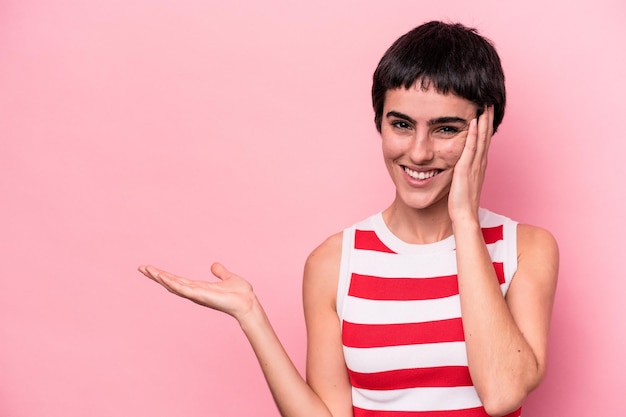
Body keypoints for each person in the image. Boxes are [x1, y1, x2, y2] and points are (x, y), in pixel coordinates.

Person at [138, 21, 558, 417]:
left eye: (446, 129)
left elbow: (503, 393)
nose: (418, 152)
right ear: (380, 124)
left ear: (486, 130)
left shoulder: (525, 248)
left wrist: (464, 219)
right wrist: (251, 315)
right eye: (401, 124)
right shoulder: (335, 262)